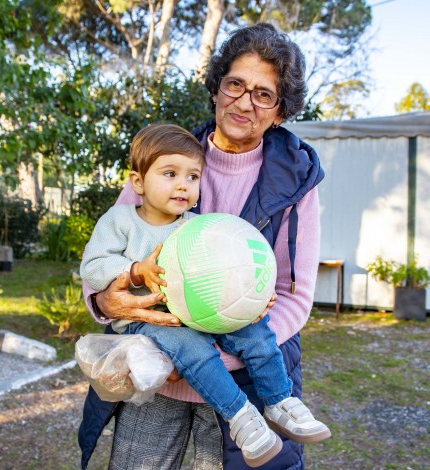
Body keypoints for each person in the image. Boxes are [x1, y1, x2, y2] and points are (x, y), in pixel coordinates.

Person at [78, 22, 326, 470]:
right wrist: (105, 302)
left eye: (263, 94)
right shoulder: (166, 159)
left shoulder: (297, 185)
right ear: (216, 88)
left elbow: (295, 296)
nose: (244, 102)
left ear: (280, 112)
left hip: (241, 379)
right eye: (235, 84)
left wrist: (210, 359)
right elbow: (110, 258)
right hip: (157, 378)